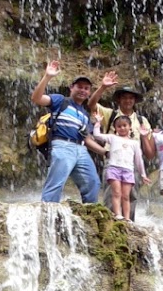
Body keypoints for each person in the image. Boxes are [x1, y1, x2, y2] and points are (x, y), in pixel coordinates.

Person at [31, 60, 114, 204]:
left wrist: (105, 152)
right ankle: (48, 212)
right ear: (71, 88)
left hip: (81, 149)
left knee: (93, 182)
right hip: (62, 145)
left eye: (86, 88)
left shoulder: (84, 114)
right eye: (79, 87)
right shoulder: (60, 101)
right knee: (56, 183)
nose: (83, 90)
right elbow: (36, 98)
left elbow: (87, 139)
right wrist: (47, 77)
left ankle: (88, 214)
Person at [88, 77, 154, 220]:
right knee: (111, 195)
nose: (128, 101)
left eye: (131, 98)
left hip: (132, 164)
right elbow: (91, 104)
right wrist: (103, 87)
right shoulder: (109, 114)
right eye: (124, 98)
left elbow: (149, 153)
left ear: (135, 101)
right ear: (118, 100)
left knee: (131, 196)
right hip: (112, 162)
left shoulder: (142, 121)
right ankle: (109, 228)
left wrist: (143, 137)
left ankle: (129, 226)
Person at [93, 113, 150, 220]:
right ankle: (118, 214)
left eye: (125, 125)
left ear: (130, 127)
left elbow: (138, 159)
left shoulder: (134, 143)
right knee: (116, 193)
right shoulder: (112, 138)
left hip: (128, 170)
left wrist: (143, 174)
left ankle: (127, 218)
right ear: (115, 128)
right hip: (114, 168)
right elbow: (97, 135)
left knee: (126, 196)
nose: (122, 128)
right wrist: (98, 122)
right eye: (119, 126)